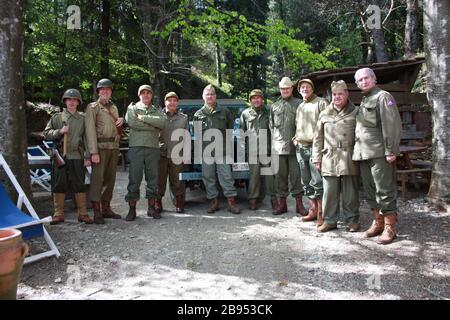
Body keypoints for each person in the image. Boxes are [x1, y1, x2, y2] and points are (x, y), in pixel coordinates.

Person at [353, 68, 402, 245]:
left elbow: (392, 125)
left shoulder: (383, 96)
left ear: (374, 79)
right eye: (360, 80)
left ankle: (390, 228)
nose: (363, 82)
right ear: (357, 84)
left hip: (380, 153)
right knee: (369, 189)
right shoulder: (366, 99)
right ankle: (378, 222)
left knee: (384, 189)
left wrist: (391, 150)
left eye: (366, 78)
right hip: (364, 153)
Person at [312, 80, 360, 232]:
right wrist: (317, 158)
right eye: (334, 94)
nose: (337, 97)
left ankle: (351, 220)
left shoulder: (356, 111)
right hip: (329, 157)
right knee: (329, 192)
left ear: (347, 94)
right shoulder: (324, 113)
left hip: (349, 156)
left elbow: (362, 135)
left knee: (350, 192)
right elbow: (317, 138)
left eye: (340, 94)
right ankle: (330, 220)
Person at [43, 89, 93, 225]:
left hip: (77, 155)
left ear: (78, 102)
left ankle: (82, 213)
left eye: (74, 100)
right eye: (69, 99)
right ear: (65, 101)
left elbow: (87, 138)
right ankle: (58, 214)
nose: (71, 102)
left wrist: (87, 156)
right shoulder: (57, 118)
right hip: (60, 155)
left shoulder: (83, 118)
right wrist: (59, 131)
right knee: (59, 183)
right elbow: (46, 133)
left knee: (79, 184)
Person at [193, 84, 240, 214]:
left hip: (222, 151)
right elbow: (197, 135)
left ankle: (231, 202)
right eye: (207, 94)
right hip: (206, 152)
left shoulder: (224, 111)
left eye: (212, 94)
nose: (210, 96)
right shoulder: (198, 114)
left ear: (215, 96)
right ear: (203, 97)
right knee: (208, 177)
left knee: (226, 177)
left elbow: (230, 131)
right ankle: (214, 202)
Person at [124, 85, 167, 221]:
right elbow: (132, 123)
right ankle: (132, 210)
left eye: (148, 93)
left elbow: (163, 123)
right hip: (136, 147)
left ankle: (151, 208)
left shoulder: (157, 109)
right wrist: (152, 124)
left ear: (151, 95)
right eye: (143, 93)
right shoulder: (132, 108)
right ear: (139, 95)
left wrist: (143, 118)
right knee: (134, 178)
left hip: (152, 147)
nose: (146, 95)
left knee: (153, 179)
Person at [85, 78, 124, 224]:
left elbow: (115, 127)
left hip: (113, 147)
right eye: (102, 89)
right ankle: (96, 210)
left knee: (110, 179)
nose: (105, 91)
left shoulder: (114, 107)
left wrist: (121, 121)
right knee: (97, 180)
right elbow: (89, 131)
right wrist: (93, 152)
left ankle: (106, 207)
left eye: (107, 89)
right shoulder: (93, 107)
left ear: (111, 92)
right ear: (98, 92)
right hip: (100, 148)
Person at [293, 78, 328, 224]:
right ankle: (312, 210)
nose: (305, 89)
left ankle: (321, 212)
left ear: (312, 88)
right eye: (302, 88)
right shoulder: (300, 106)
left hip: (315, 147)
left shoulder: (321, 103)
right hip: (301, 147)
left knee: (317, 181)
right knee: (306, 180)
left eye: (307, 87)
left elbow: (327, 125)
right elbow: (298, 125)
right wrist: (295, 138)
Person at [269, 77, 305, 215]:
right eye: (282, 88)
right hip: (279, 148)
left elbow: (303, 125)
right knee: (280, 177)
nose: (285, 90)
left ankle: (299, 205)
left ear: (292, 89)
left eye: (287, 88)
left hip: (295, 148)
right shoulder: (274, 106)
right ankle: (282, 205)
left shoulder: (299, 104)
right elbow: (271, 126)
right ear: (280, 89)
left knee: (296, 176)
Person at [240, 89, 277, 212]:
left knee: (269, 177)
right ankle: (253, 200)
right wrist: (243, 152)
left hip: (267, 150)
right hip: (252, 151)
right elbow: (242, 134)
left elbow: (273, 131)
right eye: (253, 98)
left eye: (258, 98)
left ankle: (273, 199)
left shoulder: (269, 112)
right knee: (254, 176)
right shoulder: (245, 114)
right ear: (250, 100)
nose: (256, 100)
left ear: (262, 99)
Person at [157, 92, 189, 214]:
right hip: (161, 153)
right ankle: (158, 202)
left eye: (174, 100)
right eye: (169, 100)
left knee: (177, 180)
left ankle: (179, 203)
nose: (172, 103)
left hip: (177, 153)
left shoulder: (183, 118)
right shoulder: (158, 116)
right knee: (160, 180)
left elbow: (186, 137)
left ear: (177, 103)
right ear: (165, 102)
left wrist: (186, 154)